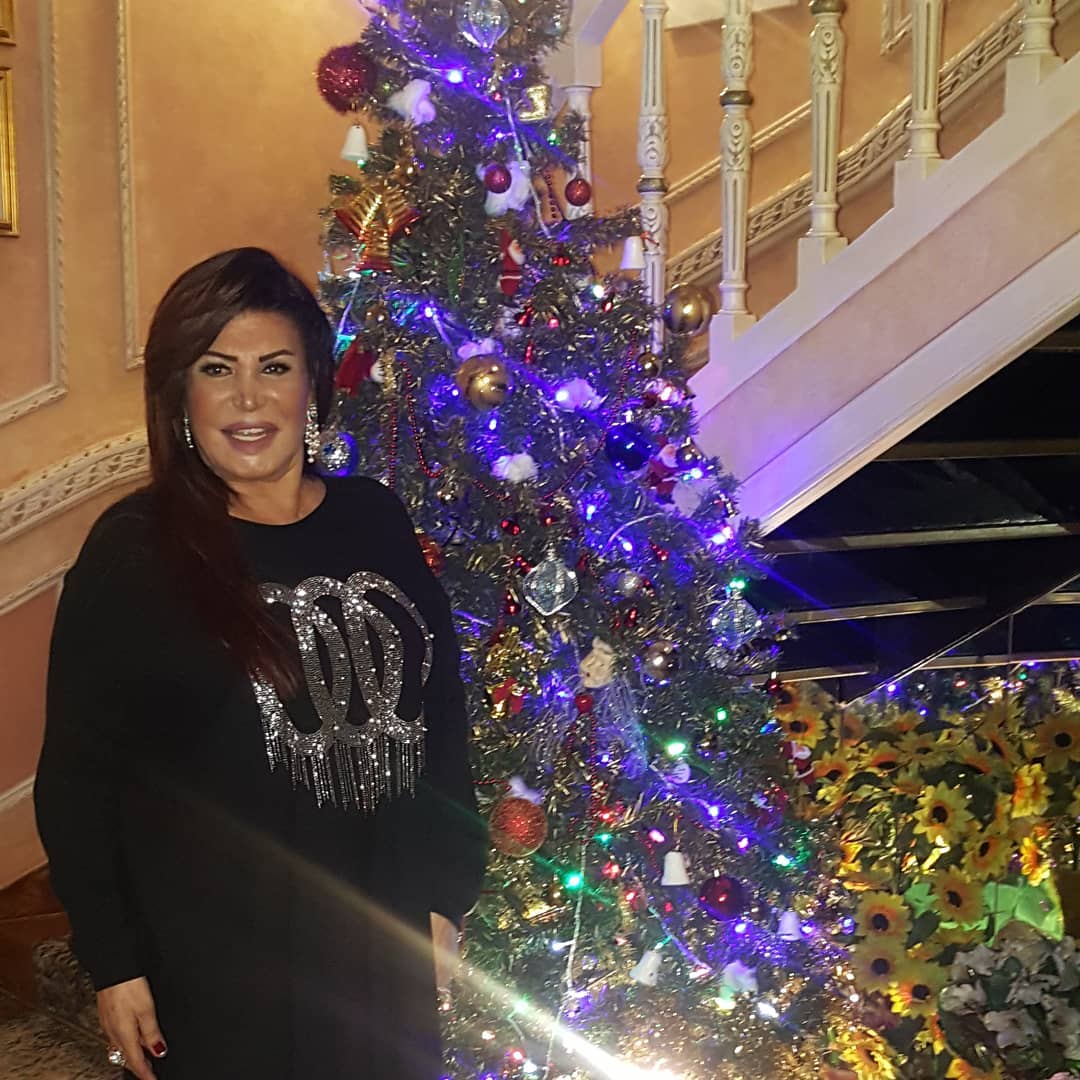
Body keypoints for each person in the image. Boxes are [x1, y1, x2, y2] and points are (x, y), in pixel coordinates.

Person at [34, 247, 487, 1079]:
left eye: (274, 367)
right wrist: (113, 962)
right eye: (217, 369)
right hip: (219, 972)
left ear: (312, 385)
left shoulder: (374, 517)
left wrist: (443, 894)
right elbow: (76, 780)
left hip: (379, 945)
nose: (248, 398)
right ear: (180, 393)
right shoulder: (135, 553)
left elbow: (441, 717)